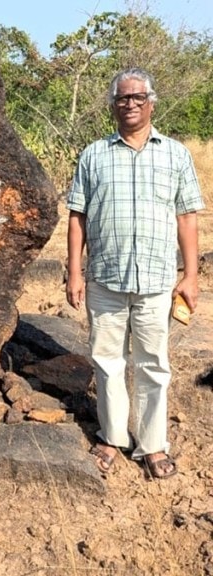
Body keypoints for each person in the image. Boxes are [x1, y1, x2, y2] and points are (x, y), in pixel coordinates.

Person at [66, 67, 204, 480]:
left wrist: (191, 275)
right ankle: (111, 437)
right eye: (123, 98)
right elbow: (78, 217)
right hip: (105, 279)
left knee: (153, 363)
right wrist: (75, 271)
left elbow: (187, 219)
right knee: (107, 361)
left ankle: (152, 445)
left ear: (151, 103)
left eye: (137, 97)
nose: (130, 104)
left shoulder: (175, 154)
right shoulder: (93, 154)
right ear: (113, 105)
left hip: (156, 281)